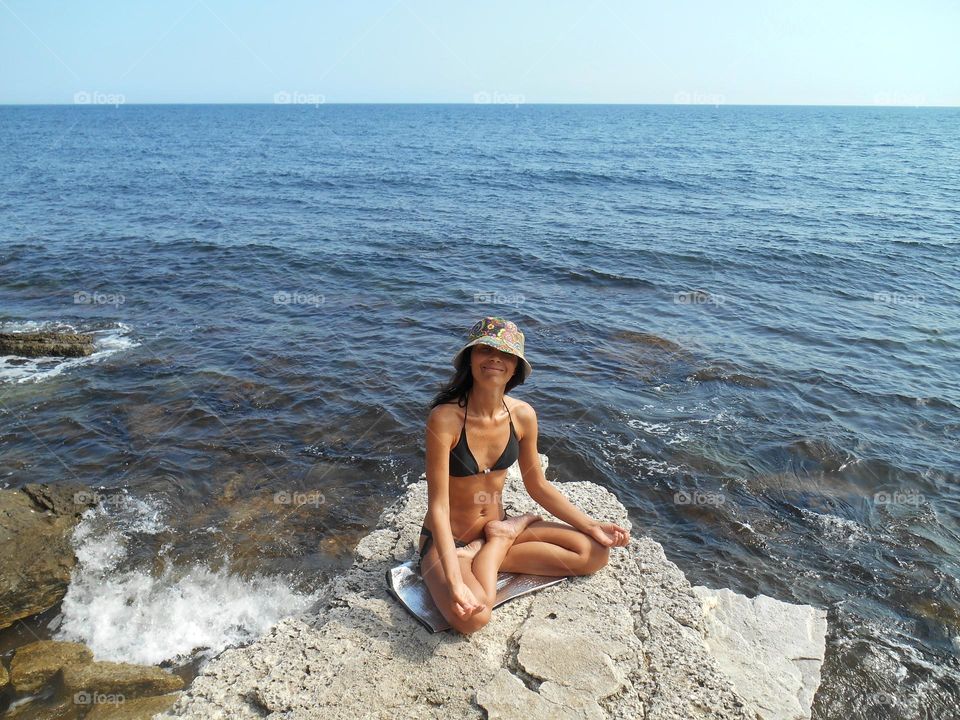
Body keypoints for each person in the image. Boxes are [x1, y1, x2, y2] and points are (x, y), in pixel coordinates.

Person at [418, 316, 630, 634]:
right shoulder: (445, 418)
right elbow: (438, 507)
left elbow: (538, 485)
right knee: (472, 618)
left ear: (516, 367)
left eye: (505, 354)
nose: (494, 359)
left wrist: (591, 525)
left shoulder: (523, 416)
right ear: (470, 359)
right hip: (453, 541)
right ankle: (494, 547)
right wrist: (453, 580)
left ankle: (496, 543)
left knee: (595, 553)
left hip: (499, 524)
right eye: (485, 350)